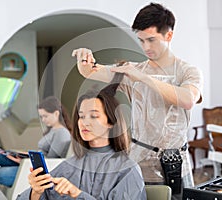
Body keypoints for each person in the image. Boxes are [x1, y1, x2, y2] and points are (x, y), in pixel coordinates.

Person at [72, 2, 203, 198]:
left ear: (169, 35)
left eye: (151, 40)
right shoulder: (132, 70)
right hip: (139, 161)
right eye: (141, 40)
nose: (146, 47)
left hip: (175, 163)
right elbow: (91, 71)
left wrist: (143, 78)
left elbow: (187, 99)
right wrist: (84, 61)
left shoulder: (188, 71)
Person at [16, 80, 146, 199]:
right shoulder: (68, 166)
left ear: (111, 121)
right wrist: (36, 192)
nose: (85, 123)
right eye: (81, 116)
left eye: (93, 116)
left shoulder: (128, 170)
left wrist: (77, 194)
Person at [0, 96, 72, 200]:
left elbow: (50, 160)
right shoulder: (52, 130)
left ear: (57, 114)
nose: (43, 120)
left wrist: (24, 159)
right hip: (29, 163)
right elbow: (42, 153)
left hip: (32, 169)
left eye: (45, 116)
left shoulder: (61, 133)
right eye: (41, 117)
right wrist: (22, 155)